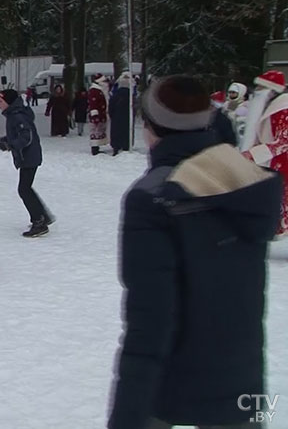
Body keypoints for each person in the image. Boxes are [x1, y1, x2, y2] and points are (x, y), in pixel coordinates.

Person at [107, 75, 282, 429]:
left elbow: (150, 321)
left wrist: (126, 418)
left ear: (151, 127)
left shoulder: (154, 197)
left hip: (170, 385)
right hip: (243, 383)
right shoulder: (245, 178)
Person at [0, 88, 54, 237]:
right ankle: (42, 216)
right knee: (26, 188)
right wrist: (6, 140)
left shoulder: (17, 116)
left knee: (24, 189)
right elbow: (18, 134)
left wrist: (11, 145)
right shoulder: (14, 115)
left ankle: (39, 221)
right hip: (28, 156)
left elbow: (26, 137)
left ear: (9, 102)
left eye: (0, 102)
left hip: (29, 157)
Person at [241, 70, 288, 238]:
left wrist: (254, 154)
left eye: (260, 88)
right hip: (275, 162)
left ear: (270, 90)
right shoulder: (272, 107)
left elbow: (284, 140)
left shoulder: (283, 109)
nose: (256, 91)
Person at [109, 72, 133, 155]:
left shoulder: (116, 94)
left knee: (116, 131)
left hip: (117, 117)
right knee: (126, 131)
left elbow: (111, 106)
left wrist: (111, 114)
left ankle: (116, 147)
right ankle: (126, 145)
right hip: (127, 116)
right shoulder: (131, 95)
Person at [88, 74, 111, 155]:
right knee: (95, 131)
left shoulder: (100, 90)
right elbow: (93, 103)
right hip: (97, 115)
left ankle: (97, 146)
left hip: (101, 114)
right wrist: (95, 114)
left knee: (99, 130)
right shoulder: (94, 90)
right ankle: (94, 148)